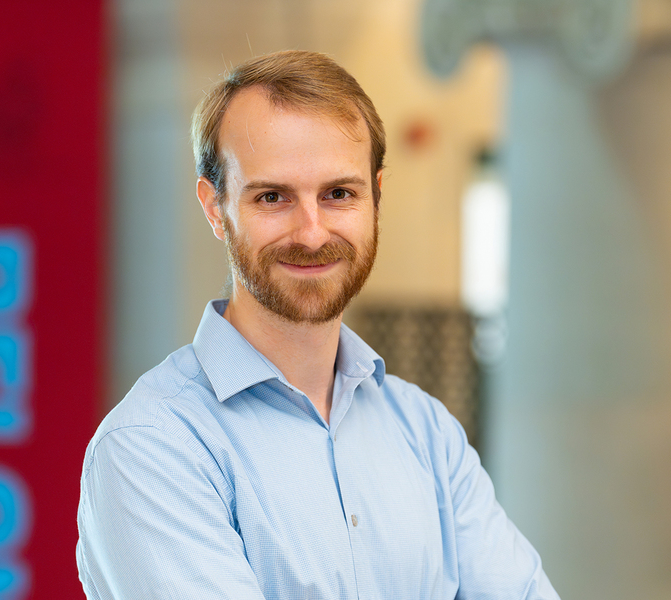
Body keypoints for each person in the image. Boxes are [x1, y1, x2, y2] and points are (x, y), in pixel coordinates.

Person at [76, 49, 559, 600]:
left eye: (338, 194)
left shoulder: (428, 433)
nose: (311, 233)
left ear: (376, 197)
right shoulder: (153, 447)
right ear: (215, 207)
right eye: (272, 197)